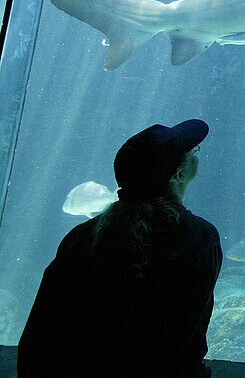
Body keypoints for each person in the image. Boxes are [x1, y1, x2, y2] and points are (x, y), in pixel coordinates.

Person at [19, 119, 221, 378]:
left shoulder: (80, 238)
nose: (197, 155)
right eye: (194, 152)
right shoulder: (198, 239)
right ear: (179, 174)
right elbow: (182, 345)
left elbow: (40, 332)